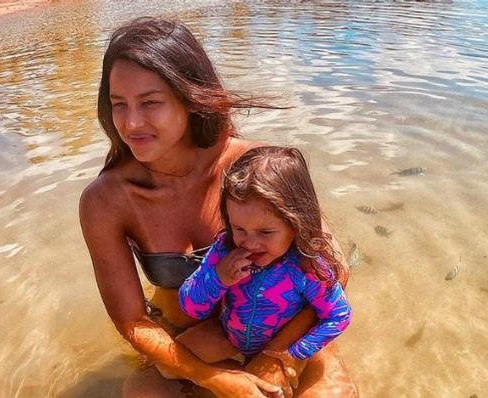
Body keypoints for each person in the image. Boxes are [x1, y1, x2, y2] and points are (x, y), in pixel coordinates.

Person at [79, 17, 358, 398]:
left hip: (284, 329)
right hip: (194, 340)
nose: (131, 123)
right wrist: (214, 378)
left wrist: (279, 359)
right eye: (118, 105)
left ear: (190, 100)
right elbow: (132, 321)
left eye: (150, 103)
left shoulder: (250, 168)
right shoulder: (106, 201)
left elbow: (333, 268)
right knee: (140, 392)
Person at [177, 146, 352, 374]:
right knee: (170, 363)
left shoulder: (305, 266)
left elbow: (338, 316)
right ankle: (235, 375)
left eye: (265, 232)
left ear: (295, 224)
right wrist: (217, 278)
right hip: (229, 336)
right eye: (238, 228)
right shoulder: (225, 250)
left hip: (281, 346)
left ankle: (245, 375)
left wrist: (294, 353)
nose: (249, 243)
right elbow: (190, 307)